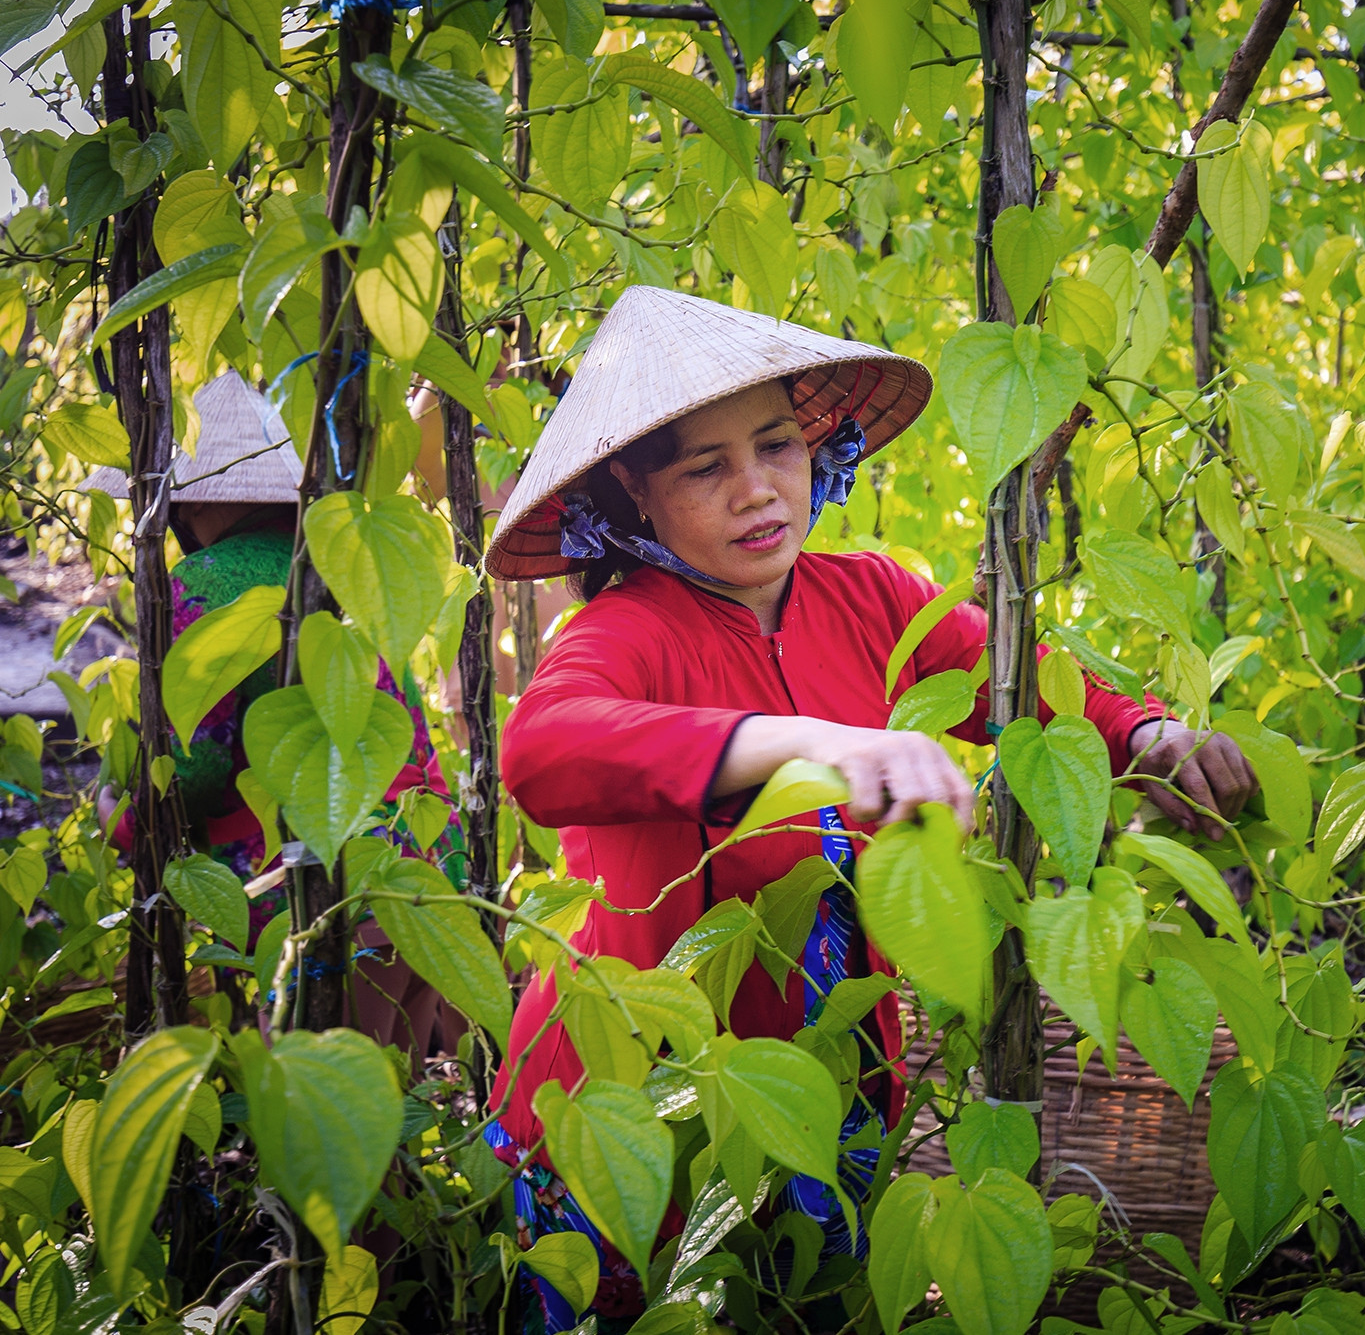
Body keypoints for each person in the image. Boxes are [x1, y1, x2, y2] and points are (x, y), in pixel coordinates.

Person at [482, 287, 1257, 1332]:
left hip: (838, 1078)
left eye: (775, 447)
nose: (756, 492)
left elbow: (1022, 682)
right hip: (634, 1099)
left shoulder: (868, 597)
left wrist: (1148, 735)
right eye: (704, 468)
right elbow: (540, 749)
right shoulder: (628, 635)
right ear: (634, 494)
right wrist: (808, 743)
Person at [86, 370, 463, 1062]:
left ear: (188, 503)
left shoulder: (205, 583)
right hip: (418, 873)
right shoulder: (343, 569)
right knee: (390, 1112)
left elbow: (191, 773)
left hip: (316, 893)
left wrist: (119, 814)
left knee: (319, 1118)